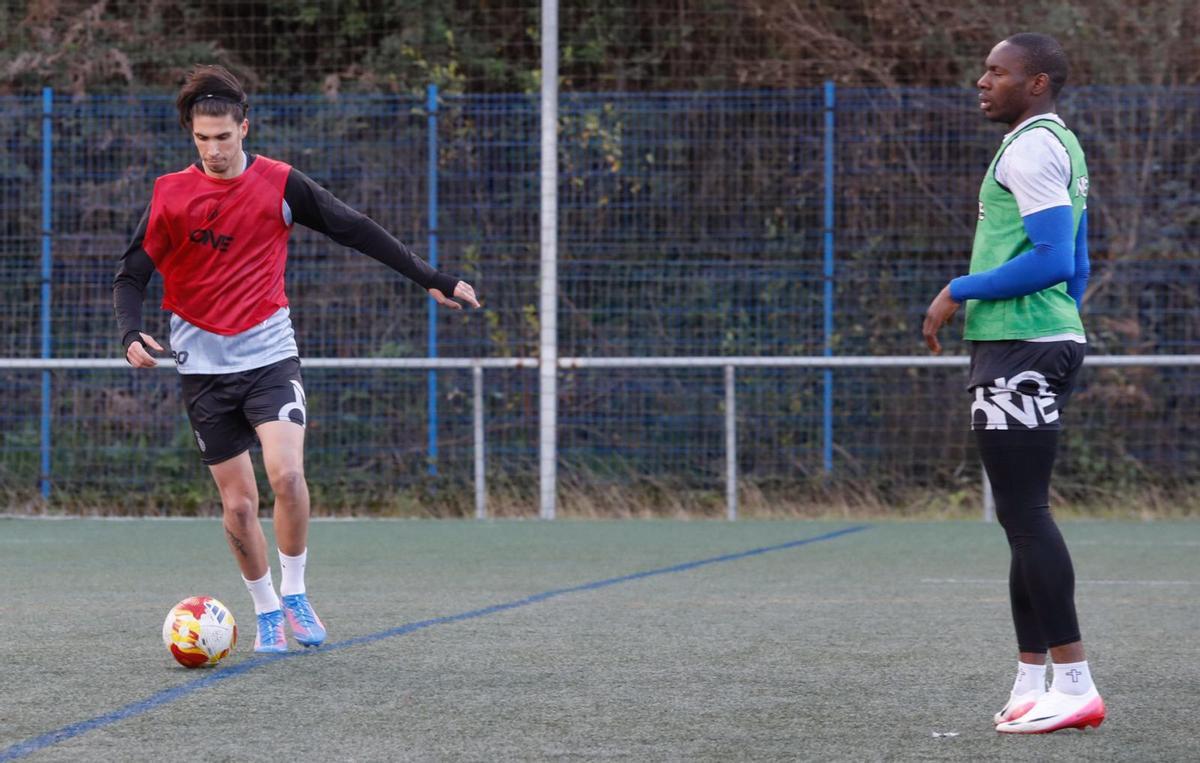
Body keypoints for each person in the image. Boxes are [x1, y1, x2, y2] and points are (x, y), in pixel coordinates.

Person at [113, 65, 480, 653]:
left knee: (286, 474)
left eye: (224, 138)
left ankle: (296, 592)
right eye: (202, 139)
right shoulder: (170, 194)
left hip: (269, 355)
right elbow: (132, 273)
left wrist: (430, 277)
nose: (214, 150)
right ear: (191, 136)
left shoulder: (281, 184)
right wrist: (130, 332)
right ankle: (264, 612)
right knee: (237, 504)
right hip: (202, 367)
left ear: (244, 129)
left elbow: (355, 229)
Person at [922, 33, 1105, 733]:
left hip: (1021, 345)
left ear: (1037, 84)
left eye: (998, 72)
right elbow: (1080, 259)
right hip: (1030, 342)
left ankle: (1076, 682)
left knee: (1026, 514)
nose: (982, 80)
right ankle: (1035, 677)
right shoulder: (1055, 142)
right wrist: (1064, 323)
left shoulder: (1031, 146)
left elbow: (1056, 258)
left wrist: (957, 289)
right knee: (1017, 515)